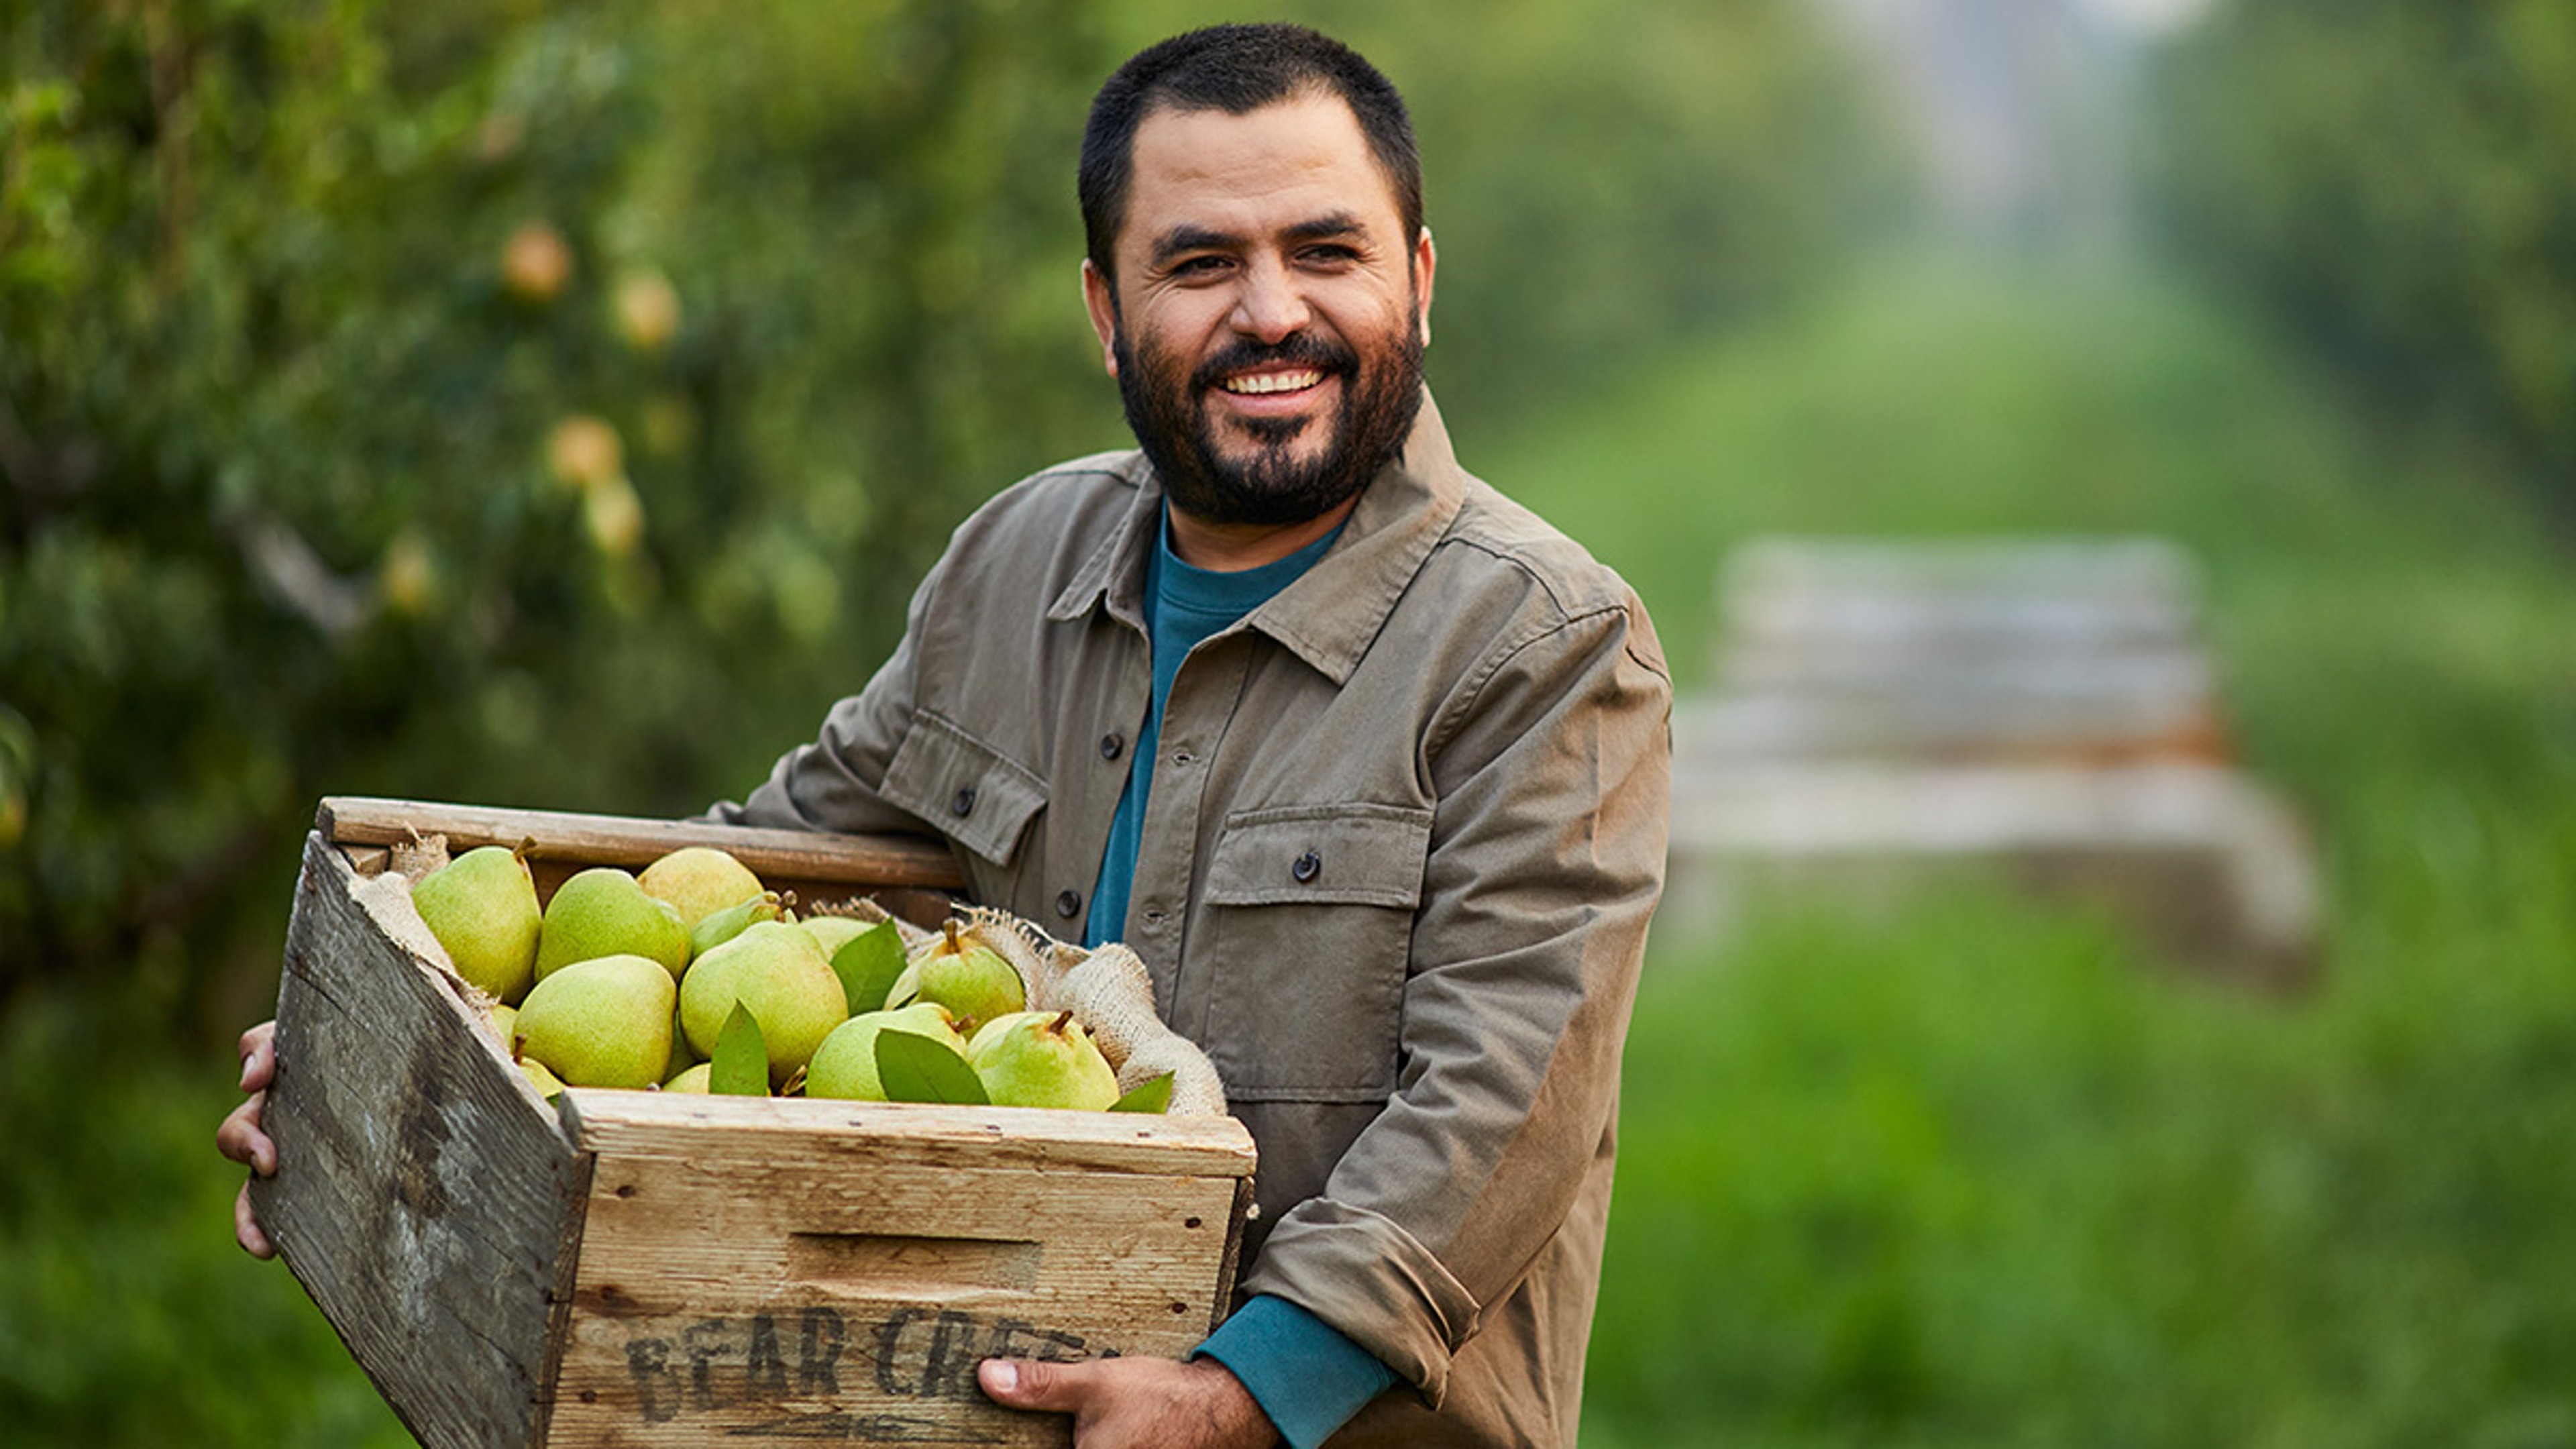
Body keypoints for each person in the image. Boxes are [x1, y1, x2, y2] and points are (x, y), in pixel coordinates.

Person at [221, 23, 1670, 1447]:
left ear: (1416, 281)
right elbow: (763, 876)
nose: (1271, 311)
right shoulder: (1018, 563)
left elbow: (1504, 1103)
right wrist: (409, 1043)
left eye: (1326, 251)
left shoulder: (1541, 644)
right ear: (1106, 310)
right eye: (1201, 262)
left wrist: (1234, 1393)